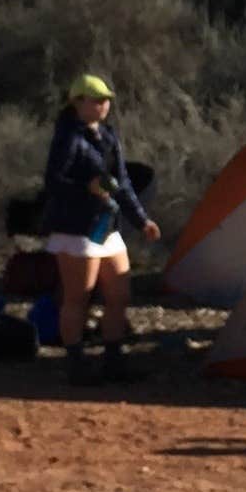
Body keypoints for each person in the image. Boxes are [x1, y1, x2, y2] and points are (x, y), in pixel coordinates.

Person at [43, 74, 159, 386]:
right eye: (96, 99)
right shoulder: (67, 137)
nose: (103, 105)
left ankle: (113, 360)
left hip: (107, 226)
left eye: (105, 99)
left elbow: (122, 182)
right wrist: (87, 188)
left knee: (119, 294)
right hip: (76, 227)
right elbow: (54, 182)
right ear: (78, 102)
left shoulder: (108, 136)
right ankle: (76, 364)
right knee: (77, 298)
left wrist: (141, 219)